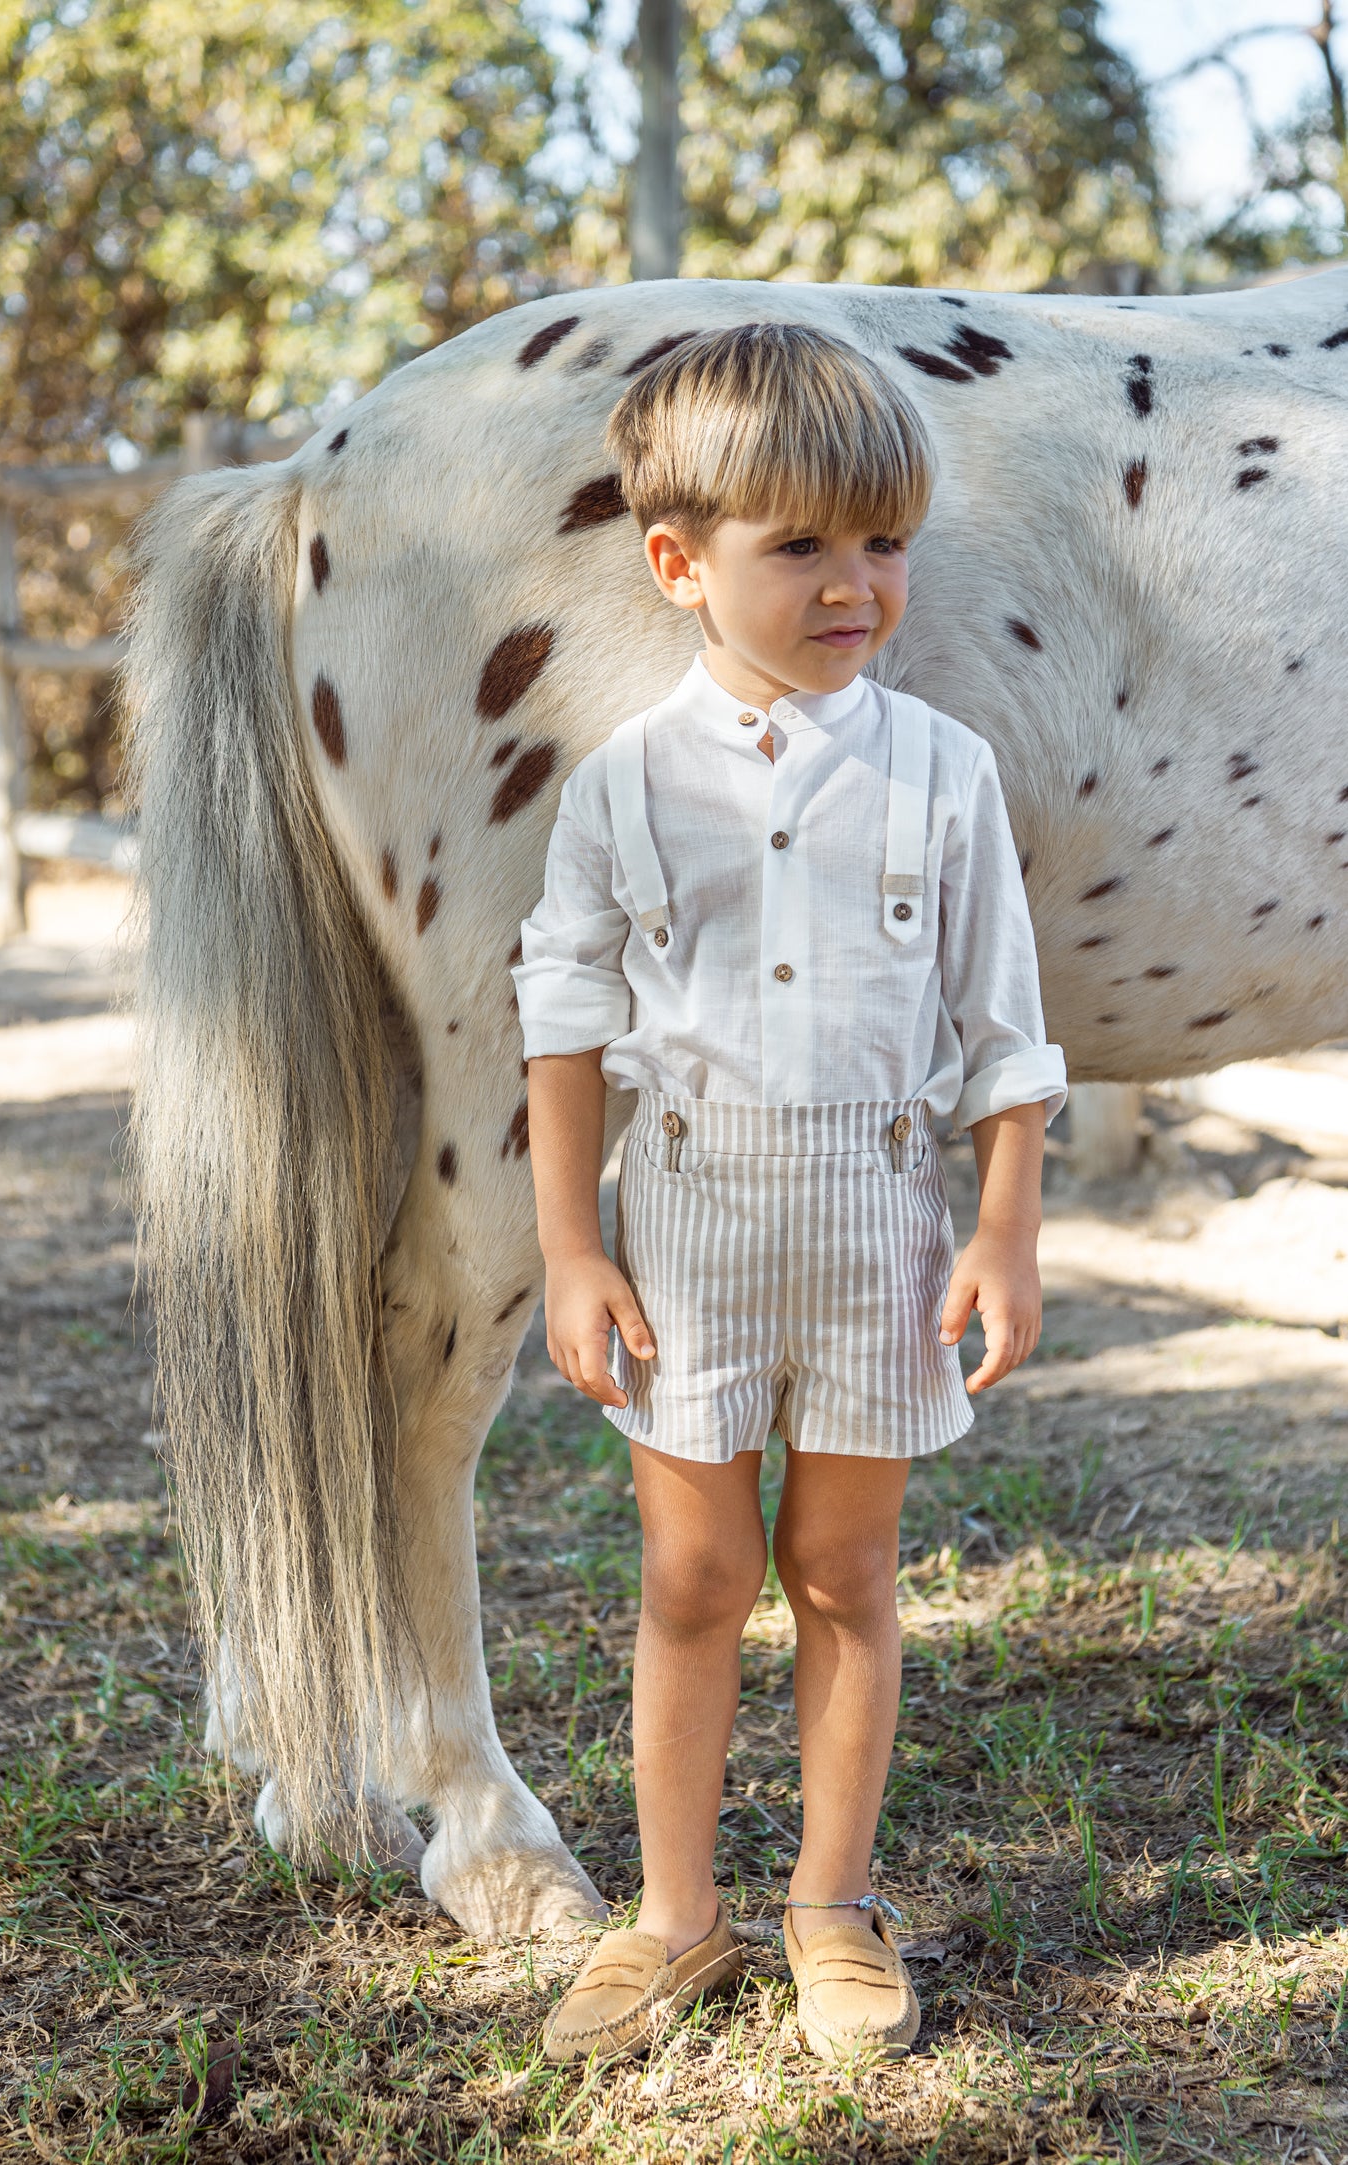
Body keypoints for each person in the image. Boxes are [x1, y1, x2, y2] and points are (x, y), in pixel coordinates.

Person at [511, 321, 1066, 2068]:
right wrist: (570, 1248)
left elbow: (1003, 1024)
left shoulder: (942, 769)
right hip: (685, 1223)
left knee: (842, 1563)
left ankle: (832, 1899)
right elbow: (563, 1020)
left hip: (880, 1227)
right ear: (679, 564)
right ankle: (674, 1916)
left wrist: (1001, 1223)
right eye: (802, 546)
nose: (856, 584)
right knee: (689, 1574)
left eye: (883, 542)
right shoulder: (620, 787)